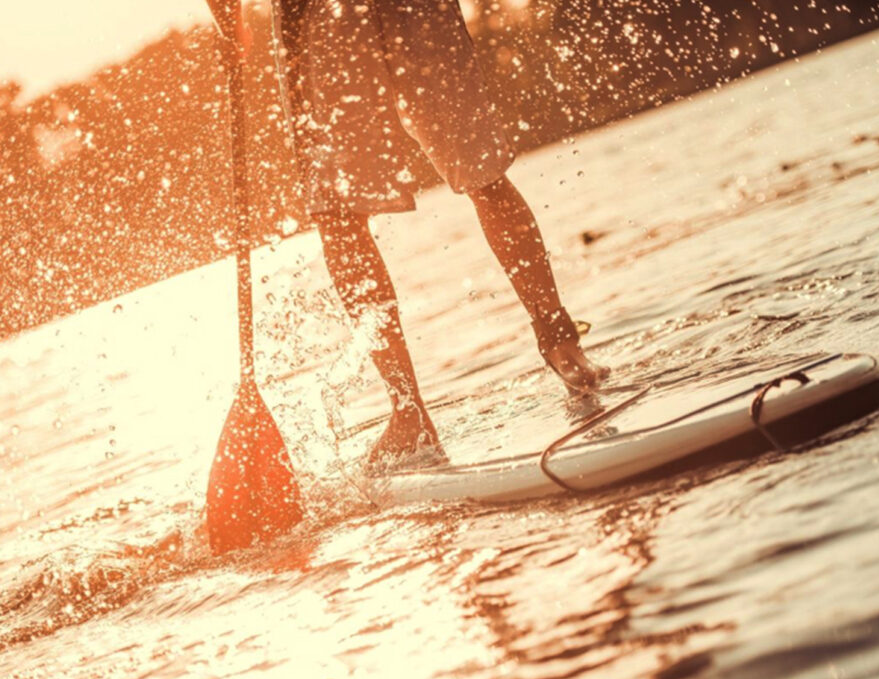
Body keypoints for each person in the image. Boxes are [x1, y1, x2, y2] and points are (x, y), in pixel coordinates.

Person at [205, 0, 608, 474]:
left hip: (323, 17)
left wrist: (228, 19)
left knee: (339, 215)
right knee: (483, 173)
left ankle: (408, 415)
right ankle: (562, 343)